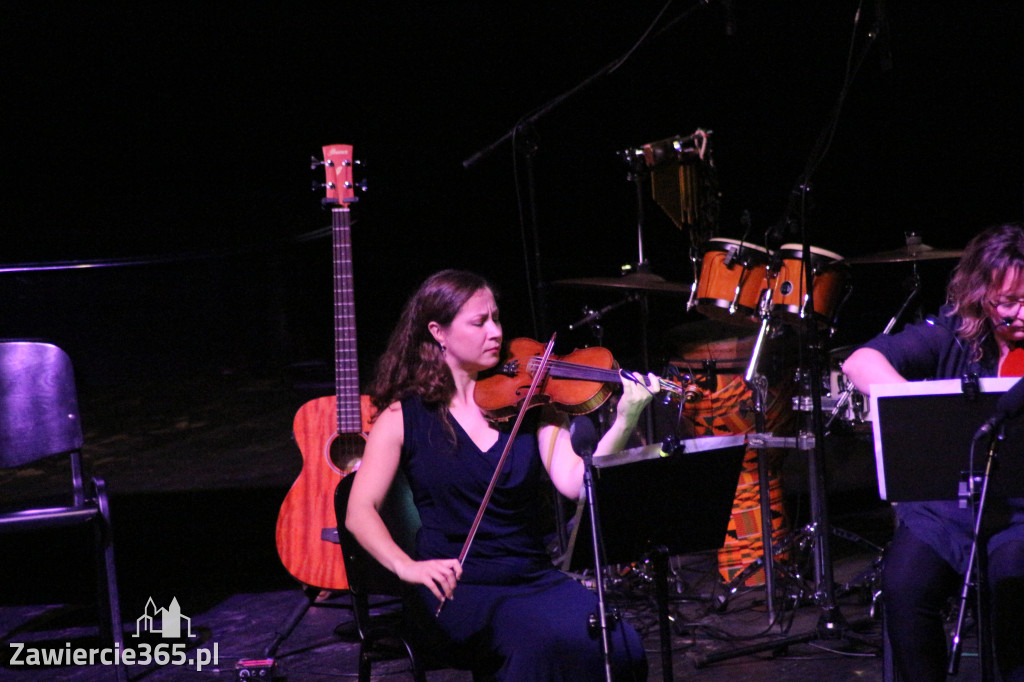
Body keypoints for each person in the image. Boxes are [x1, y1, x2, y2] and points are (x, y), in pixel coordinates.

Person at [345, 269, 655, 681]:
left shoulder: (533, 403)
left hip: (532, 576)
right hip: (453, 589)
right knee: (537, 645)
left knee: (619, 646)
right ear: (438, 332)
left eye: (496, 318)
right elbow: (358, 511)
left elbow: (575, 484)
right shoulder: (403, 418)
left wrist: (624, 420)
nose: (495, 332)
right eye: (479, 322)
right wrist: (408, 567)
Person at [843, 222, 1024, 682]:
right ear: (982, 296)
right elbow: (859, 361)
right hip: (948, 507)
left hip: (1020, 512)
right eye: (1009, 302)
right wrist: (915, 406)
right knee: (904, 586)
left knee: (1013, 587)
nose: (1021, 312)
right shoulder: (956, 333)